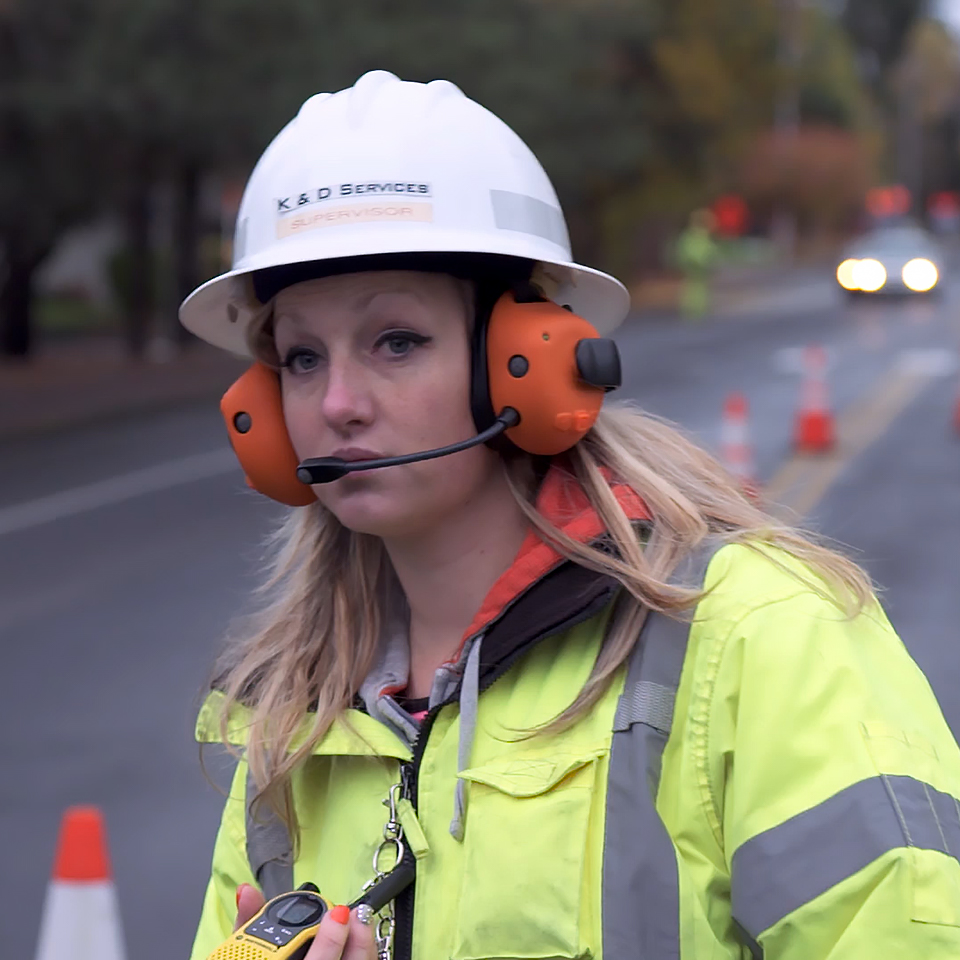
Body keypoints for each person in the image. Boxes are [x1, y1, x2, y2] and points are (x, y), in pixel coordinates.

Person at [182, 71, 960, 960]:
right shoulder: (292, 714)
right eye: (302, 358)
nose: (338, 403)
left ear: (527, 362)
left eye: (396, 340)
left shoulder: (754, 635)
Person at [675, 207, 719, 320]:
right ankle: (695, 309)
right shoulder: (696, 235)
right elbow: (705, 250)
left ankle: (697, 309)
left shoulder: (693, 235)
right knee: (695, 287)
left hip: (697, 264)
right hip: (696, 264)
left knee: (697, 287)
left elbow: (709, 250)